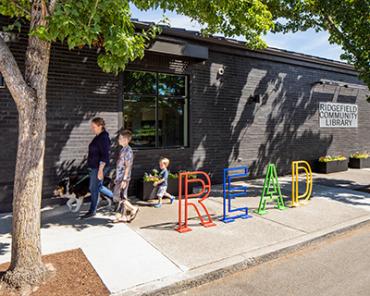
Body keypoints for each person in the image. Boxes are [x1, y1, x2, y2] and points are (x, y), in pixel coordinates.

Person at [81, 117, 113, 219]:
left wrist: (100, 170)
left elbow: (105, 155)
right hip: (94, 167)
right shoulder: (98, 136)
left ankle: (92, 211)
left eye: (94, 127)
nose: (92, 128)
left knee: (94, 188)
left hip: (99, 167)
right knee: (97, 187)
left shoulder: (103, 138)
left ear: (100, 126)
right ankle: (116, 198)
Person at [113, 129, 139, 223]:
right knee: (120, 196)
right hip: (120, 177)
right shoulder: (123, 149)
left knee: (120, 197)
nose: (118, 140)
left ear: (126, 139)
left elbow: (128, 166)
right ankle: (123, 216)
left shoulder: (128, 151)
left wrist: (124, 179)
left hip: (123, 178)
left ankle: (133, 209)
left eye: (120, 138)